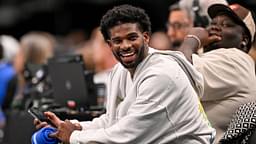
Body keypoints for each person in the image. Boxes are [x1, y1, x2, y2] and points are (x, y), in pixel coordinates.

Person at [34, 4, 215, 143]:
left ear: (145, 37)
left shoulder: (161, 75)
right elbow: (113, 121)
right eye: (117, 40)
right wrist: (72, 126)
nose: (126, 46)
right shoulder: (120, 71)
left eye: (132, 37)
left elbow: (128, 136)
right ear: (109, 44)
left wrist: (73, 137)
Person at [177, 3, 256, 143]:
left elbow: (176, 74)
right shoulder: (212, 57)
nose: (214, 27)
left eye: (226, 25)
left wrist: (192, 39)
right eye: (212, 23)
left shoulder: (237, 60)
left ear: (244, 39)